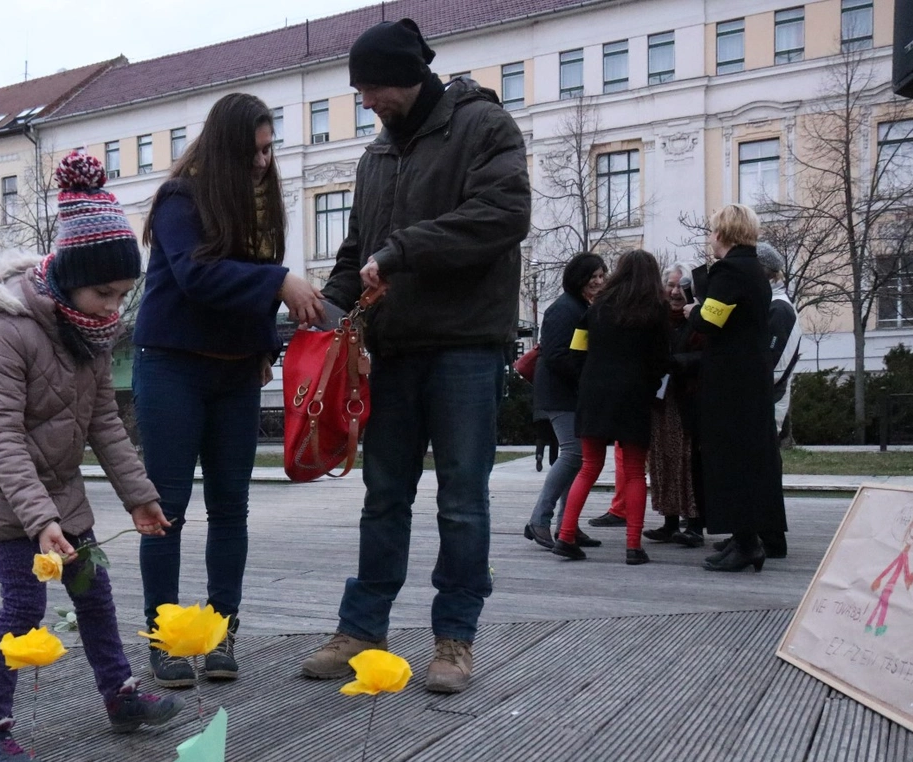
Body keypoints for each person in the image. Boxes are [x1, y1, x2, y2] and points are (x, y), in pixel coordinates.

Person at [299, 18, 531, 693]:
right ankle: (361, 627)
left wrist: (402, 251)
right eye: (359, 90)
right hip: (392, 352)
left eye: (372, 88)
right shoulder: (376, 158)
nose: (365, 101)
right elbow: (356, 255)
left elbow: (502, 215)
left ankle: (454, 637)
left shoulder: (484, 127)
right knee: (383, 496)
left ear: (409, 76)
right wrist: (321, 313)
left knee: (462, 499)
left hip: (464, 345)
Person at [0, 152, 182, 762]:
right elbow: (0, 432)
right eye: (104, 293)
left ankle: (119, 694)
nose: (114, 308)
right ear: (69, 279)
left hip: (59, 491)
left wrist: (139, 495)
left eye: (122, 296)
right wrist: (38, 521)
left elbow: (104, 422)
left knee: (93, 589)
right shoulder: (12, 328)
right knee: (24, 604)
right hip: (4, 494)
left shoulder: (91, 334)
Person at [134, 93, 324, 688]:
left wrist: (266, 346)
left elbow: (250, 289)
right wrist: (278, 281)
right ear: (226, 150)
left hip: (235, 371)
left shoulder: (258, 202)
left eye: (269, 150)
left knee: (231, 509)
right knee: (165, 510)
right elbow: (197, 276)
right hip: (172, 368)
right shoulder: (179, 198)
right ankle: (165, 638)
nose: (264, 163)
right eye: (255, 152)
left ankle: (221, 633)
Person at [551, 250, 670, 565]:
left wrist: (589, 378)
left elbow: (576, 350)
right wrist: (650, 382)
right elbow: (662, 358)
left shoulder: (597, 307)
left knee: (589, 466)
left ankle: (564, 536)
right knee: (633, 471)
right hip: (633, 394)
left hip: (594, 394)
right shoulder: (656, 310)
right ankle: (633, 546)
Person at [685, 204, 787, 572]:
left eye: (712, 231)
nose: (710, 237)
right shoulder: (754, 270)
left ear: (724, 233)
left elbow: (711, 320)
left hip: (731, 382)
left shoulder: (729, 270)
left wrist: (692, 312)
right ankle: (747, 540)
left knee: (730, 459)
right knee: (747, 458)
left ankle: (745, 544)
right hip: (750, 378)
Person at [524, 253, 607, 551]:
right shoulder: (564, 309)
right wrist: (590, 378)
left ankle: (566, 525)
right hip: (560, 394)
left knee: (576, 459)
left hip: (572, 393)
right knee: (574, 455)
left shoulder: (582, 307)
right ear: (578, 279)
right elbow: (557, 356)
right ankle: (540, 520)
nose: (598, 282)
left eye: (601, 276)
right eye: (592, 276)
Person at [642, 263, 705, 547]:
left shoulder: (698, 321)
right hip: (661, 403)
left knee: (688, 462)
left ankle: (694, 524)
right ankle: (668, 521)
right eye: (671, 285)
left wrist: (677, 363)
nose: (676, 291)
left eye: (682, 285)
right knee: (663, 461)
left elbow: (708, 357)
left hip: (688, 401)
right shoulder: (657, 320)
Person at [754, 241, 799, 559]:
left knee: (764, 472)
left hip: (769, 401)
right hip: (768, 398)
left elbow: (771, 361)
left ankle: (771, 540)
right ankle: (762, 536)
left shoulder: (778, 309)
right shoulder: (775, 306)